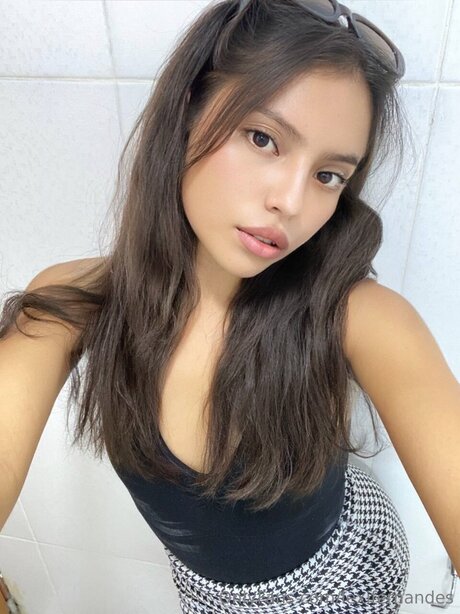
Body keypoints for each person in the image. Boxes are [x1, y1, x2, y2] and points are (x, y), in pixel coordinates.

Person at [1, 0, 459, 612]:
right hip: (206, 596)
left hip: (347, 576)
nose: (292, 201)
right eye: (264, 138)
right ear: (189, 111)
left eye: (329, 176)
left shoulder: (359, 317)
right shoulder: (77, 301)